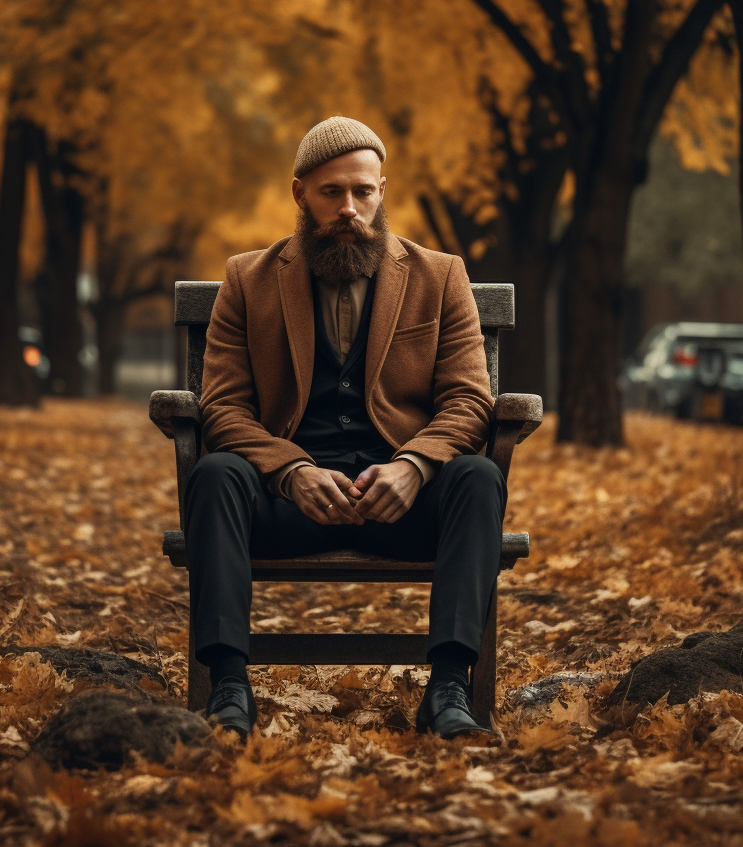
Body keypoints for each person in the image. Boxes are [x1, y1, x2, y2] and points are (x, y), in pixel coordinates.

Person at [185, 116, 506, 739]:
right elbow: (222, 408)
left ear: (382, 189)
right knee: (215, 473)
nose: (349, 209)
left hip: (404, 504)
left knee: (478, 476)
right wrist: (290, 472)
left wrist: (415, 468)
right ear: (300, 193)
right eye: (332, 192)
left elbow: (469, 400)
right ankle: (227, 687)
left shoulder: (440, 275)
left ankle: (447, 690)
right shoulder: (248, 280)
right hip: (290, 504)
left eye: (363, 191)